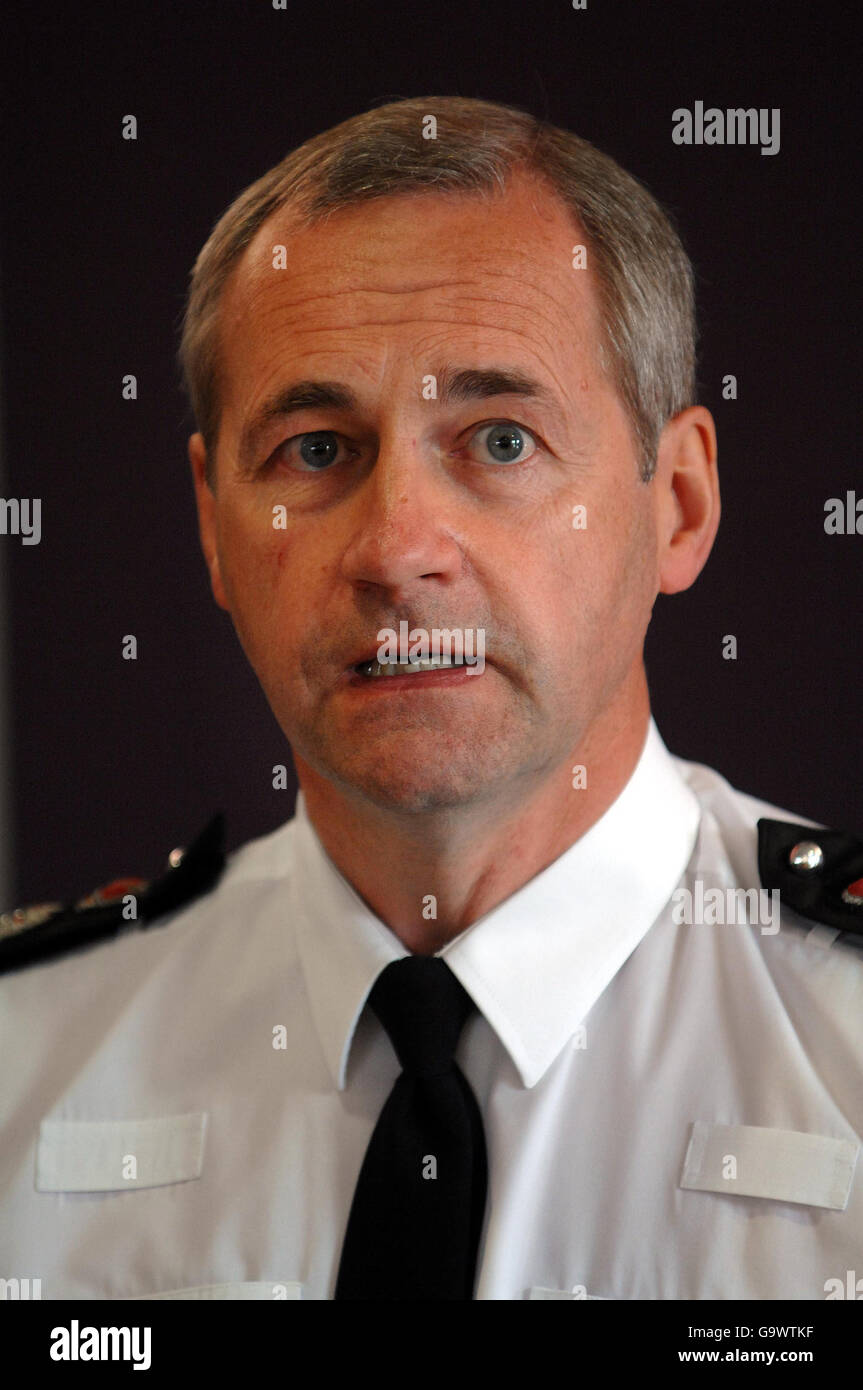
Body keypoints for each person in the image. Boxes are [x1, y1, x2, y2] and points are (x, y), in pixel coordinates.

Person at [1, 95, 861, 1302]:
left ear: (675, 501)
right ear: (212, 527)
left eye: (499, 440)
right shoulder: (25, 1057)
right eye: (313, 449)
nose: (397, 548)